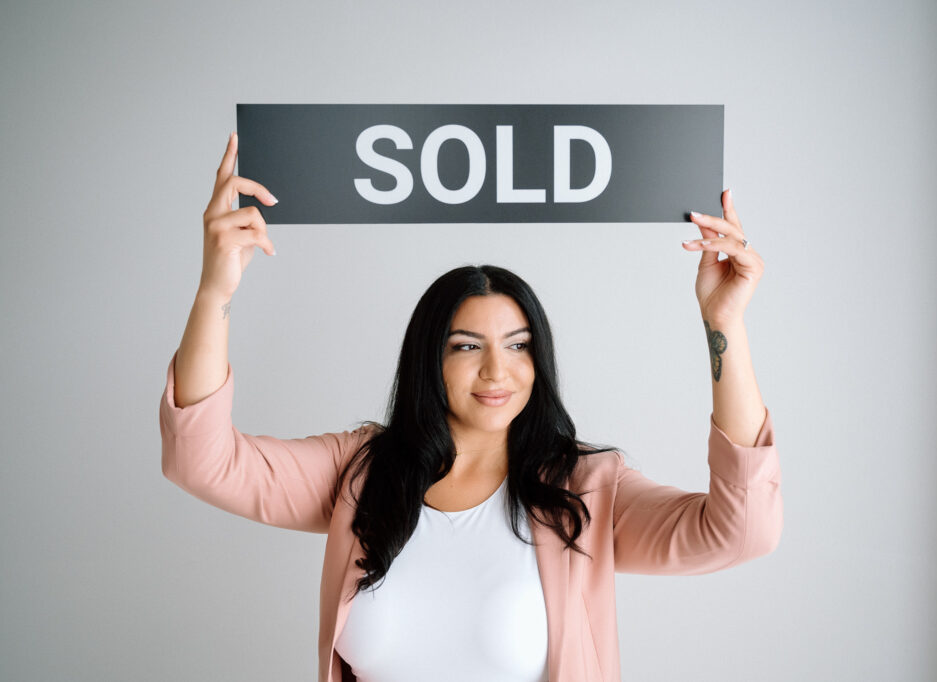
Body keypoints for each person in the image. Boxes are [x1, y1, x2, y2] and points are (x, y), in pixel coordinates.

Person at [159, 131, 783, 682]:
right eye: (466, 346)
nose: (496, 370)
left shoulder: (589, 490)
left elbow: (741, 530)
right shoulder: (361, 472)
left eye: (518, 345)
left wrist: (722, 322)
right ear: (429, 359)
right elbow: (201, 459)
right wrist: (216, 286)